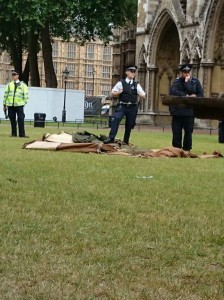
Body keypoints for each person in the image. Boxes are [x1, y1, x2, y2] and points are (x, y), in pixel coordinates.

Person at [103, 65, 146, 144]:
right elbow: (112, 93)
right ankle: (111, 138)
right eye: (131, 71)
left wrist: (140, 94)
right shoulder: (121, 83)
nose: (133, 73)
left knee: (129, 124)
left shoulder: (136, 85)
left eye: (134, 72)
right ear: (127, 72)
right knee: (116, 119)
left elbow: (143, 95)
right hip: (122, 106)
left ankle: (126, 140)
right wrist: (119, 92)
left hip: (132, 107)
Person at [169, 64, 204, 151]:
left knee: (188, 132)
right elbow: (173, 91)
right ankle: (176, 149)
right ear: (181, 73)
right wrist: (186, 95)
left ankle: (187, 149)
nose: (186, 74)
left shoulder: (195, 82)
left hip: (189, 112)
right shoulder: (177, 82)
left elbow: (200, 95)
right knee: (176, 132)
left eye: (188, 72)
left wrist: (187, 83)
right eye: (185, 72)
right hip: (177, 112)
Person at [3, 70, 29, 138]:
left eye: (15, 75)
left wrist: (24, 102)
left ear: (18, 76)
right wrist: (4, 105)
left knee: (21, 119)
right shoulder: (9, 85)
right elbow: (6, 95)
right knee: (12, 119)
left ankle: (22, 134)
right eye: (12, 75)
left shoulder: (23, 85)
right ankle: (13, 133)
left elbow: (26, 94)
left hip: (19, 105)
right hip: (10, 105)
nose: (13, 76)